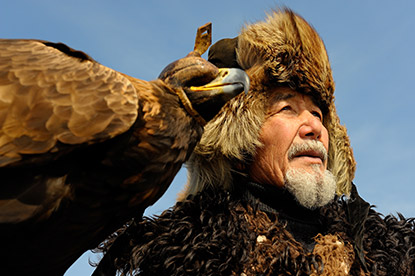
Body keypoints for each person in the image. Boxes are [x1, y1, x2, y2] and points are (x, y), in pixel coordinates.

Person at [95, 8, 415, 276]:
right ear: (240, 140)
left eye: (318, 113)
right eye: (287, 108)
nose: (313, 127)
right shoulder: (186, 255)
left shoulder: (387, 249)